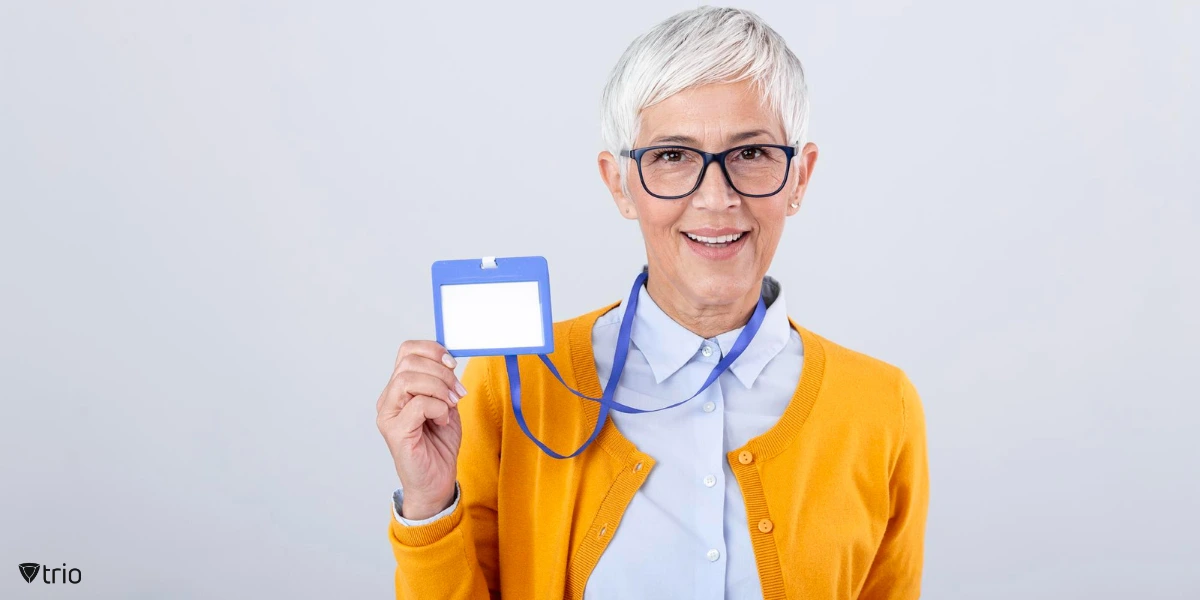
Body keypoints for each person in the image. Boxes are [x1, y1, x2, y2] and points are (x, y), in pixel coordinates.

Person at [376, 6, 929, 599]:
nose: (716, 200)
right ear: (620, 184)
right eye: (672, 156)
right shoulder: (514, 386)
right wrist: (430, 506)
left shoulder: (882, 407)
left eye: (751, 154)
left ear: (799, 177)